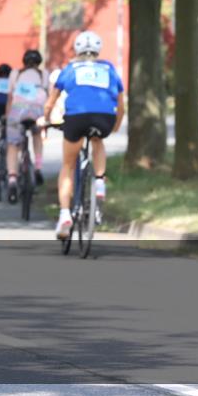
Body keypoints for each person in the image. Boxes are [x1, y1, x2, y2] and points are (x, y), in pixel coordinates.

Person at [42, 31, 124, 240]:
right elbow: (121, 104)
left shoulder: (70, 69)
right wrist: (115, 125)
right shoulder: (109, 69)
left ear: (77, 50)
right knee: (98, 140)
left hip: (77, 117)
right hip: (104, 117)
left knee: (68, 165)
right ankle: (99, 181)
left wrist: (47, 118)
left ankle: (64, 215)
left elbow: (52, 101)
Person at [5, 50, 47, 199]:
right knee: (37, 135)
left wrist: (7, 116)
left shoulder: (15, 73)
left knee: (13, 145)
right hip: (37, 110)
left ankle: (12, 178)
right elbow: (46, 95)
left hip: (18, 110)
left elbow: (10, 97)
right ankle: (37, 167)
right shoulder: (44, 74)